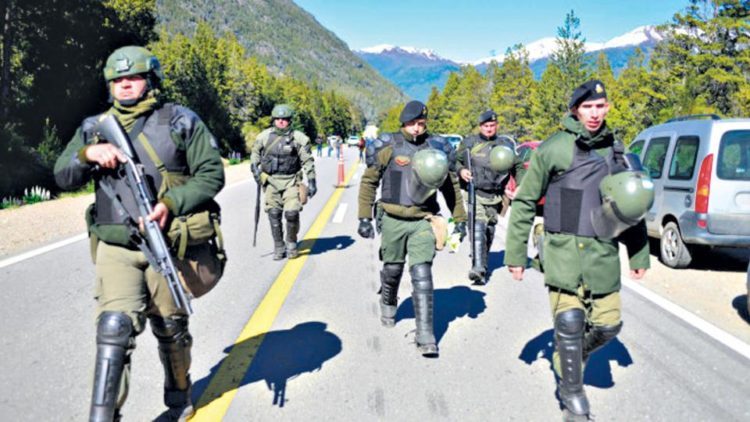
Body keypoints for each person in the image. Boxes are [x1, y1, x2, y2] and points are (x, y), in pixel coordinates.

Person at [54, 46, 226, 421]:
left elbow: (212, 174)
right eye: (118, 80)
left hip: (165, 243)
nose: (125, 85)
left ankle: (179, 396)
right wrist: (88, 155)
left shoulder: (180, 121)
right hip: (116, 245)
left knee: (171, 327)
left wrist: (172, 203)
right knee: (113, 329)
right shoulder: (93, 127)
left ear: (151, 80)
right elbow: (61, 176)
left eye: (133, 78)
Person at [504, 80, 650, 421]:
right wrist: (515, 255)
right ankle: (572, 395)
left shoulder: (616, 151)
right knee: (569, 321)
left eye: (600, 106)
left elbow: (631, 207)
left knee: (608, 326)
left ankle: (568, 356)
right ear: (575, 110)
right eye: (587, 107)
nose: (594, 114)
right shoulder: (555, 148)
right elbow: (525, 201)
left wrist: (639, 254)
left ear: (608, 107)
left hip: (602, 254)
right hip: (562, 253)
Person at [357, 100, 467, 357]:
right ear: (404, 123)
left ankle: (425, 333)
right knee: (393, 269)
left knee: (422, 274)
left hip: (423, 220)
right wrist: (364, 217)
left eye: (421, 123)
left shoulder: (436, 149)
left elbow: (450, 187)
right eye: (412, 123)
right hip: (393, 218)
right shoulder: (389, 147)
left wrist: (459, 219)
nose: (417, 128)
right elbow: (369, 182)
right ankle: (388, 299)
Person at [456, 110, 525, 284]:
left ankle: (482, 262)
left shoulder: (505, 145)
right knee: (478, 224)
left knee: (490, 228)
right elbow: (454, 161)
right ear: (480, 126)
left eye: (492, 125)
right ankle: (478, 267)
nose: (489, 129)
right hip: (476, 191)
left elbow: (518, 166)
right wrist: (461, 170)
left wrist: (520, 184)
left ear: (497, 126)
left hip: (496, 195)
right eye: (486, 126)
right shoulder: (469, 143)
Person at [250, 104, 316, 260]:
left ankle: (291, 243)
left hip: (291, 181)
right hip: (271, 181)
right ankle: (279, 246)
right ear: (273, 120)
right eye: (278, 119)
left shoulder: (299, 139)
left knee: (292, 213)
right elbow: (255, 154)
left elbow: (308, 161)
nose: (281, 122)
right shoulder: (264, 137)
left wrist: (312, 180)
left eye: (284, 119)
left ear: (289, 121)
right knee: (274, 213)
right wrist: (254, 168)